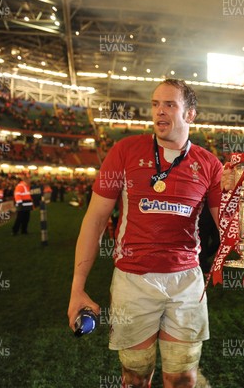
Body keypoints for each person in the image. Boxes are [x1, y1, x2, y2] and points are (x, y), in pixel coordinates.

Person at [67, 79, 222, 388]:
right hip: (133, 280)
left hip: (186, 282)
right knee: (135, 378)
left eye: (169, 105)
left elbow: (230, 229)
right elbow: (95, 219)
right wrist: (77, 288)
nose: (159, 112)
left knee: (182, 379)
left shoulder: (209, 164)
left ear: (190, 114)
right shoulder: (125, 150)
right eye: (155, 104)